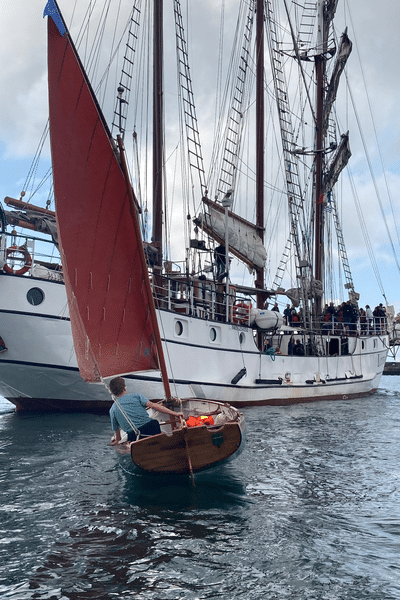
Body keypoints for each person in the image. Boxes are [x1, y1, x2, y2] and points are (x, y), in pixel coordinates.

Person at [109, 377, 183, 444]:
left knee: (126, 445)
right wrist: (175, 413)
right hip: (151, 427)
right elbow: (154, 406)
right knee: (163, 433)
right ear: (124, 388)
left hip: (134, 435)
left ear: (113, 393)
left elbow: (118, 437)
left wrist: (116, 441)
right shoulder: (136, 396)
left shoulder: (112, 409)